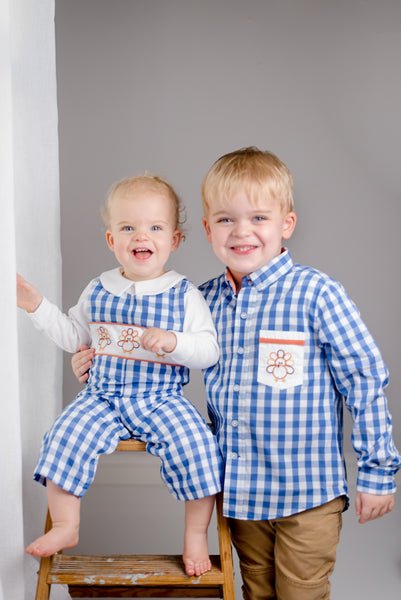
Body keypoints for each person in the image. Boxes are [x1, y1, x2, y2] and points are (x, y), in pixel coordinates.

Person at [72, 148, 401, 599]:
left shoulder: (316, 293)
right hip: (240, 491)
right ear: (207, 230)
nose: (242, 231)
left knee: (302, 591)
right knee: (256, 591)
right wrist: (91, 362)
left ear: (286, 224)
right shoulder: (198, 301)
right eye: (226, 220)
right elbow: (142, 355)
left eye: (259, 218)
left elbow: (363, 378)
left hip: (309, 490)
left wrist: (378, 471)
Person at [17, 173, 224, 577]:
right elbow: (75, 336)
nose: (140, 235)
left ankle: (196, 534)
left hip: (161, 398)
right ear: (112, 240)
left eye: (155, 227)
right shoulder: (98, 289)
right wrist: (36, 306)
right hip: (103, 396)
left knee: (199, 447)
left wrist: (175, 341)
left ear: (175, 240)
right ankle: (66, 524)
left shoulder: (184, 294)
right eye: (128, 227)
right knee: (64, 436)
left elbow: (209, 349)